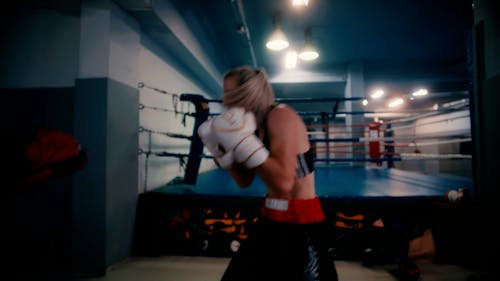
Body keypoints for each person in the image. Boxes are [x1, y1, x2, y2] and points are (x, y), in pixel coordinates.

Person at [198, 65, 338, 281]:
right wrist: (219, 151)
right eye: (225, 94)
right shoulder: (252, 127)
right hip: (270, 217)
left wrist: (242, 142)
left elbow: (283, 183)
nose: (226, 100)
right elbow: (244, 180)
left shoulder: (281, 116)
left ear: (249, 92)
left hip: (302, 225)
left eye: (230, 94)